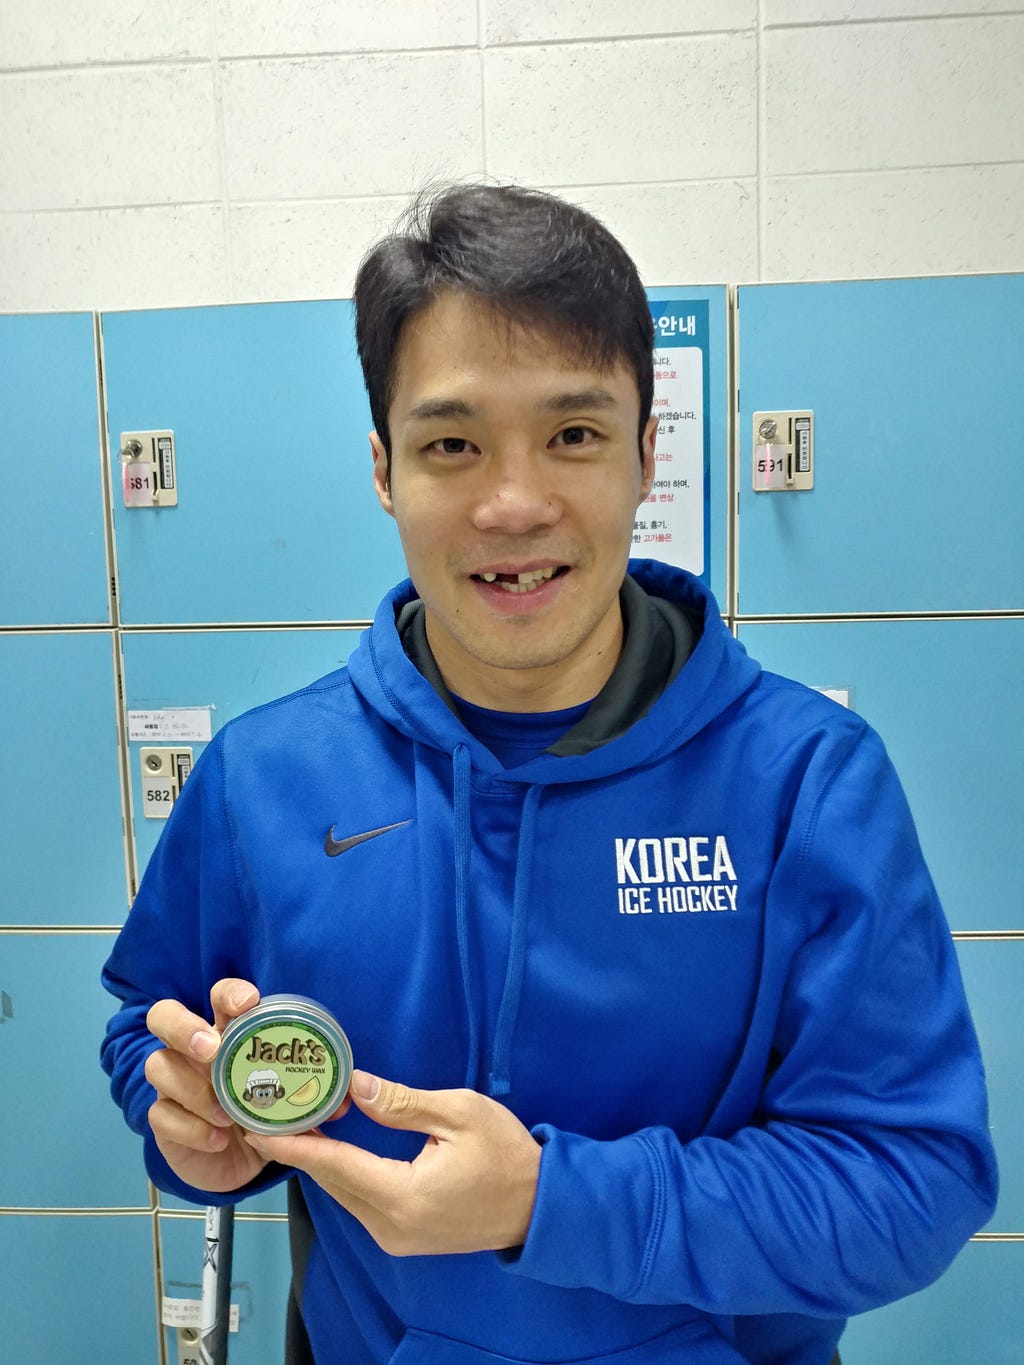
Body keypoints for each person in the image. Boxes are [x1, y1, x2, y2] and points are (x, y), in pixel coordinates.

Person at [101, 183, 997, 1365]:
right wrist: (189, 1124)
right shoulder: (263, 776)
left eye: (572, 435)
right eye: (451, 444)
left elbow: (910, 1184)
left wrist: (550, 1203)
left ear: (644, 451)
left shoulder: (804, 785)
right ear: (383, 468)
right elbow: (146, 1027)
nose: (513, 504)